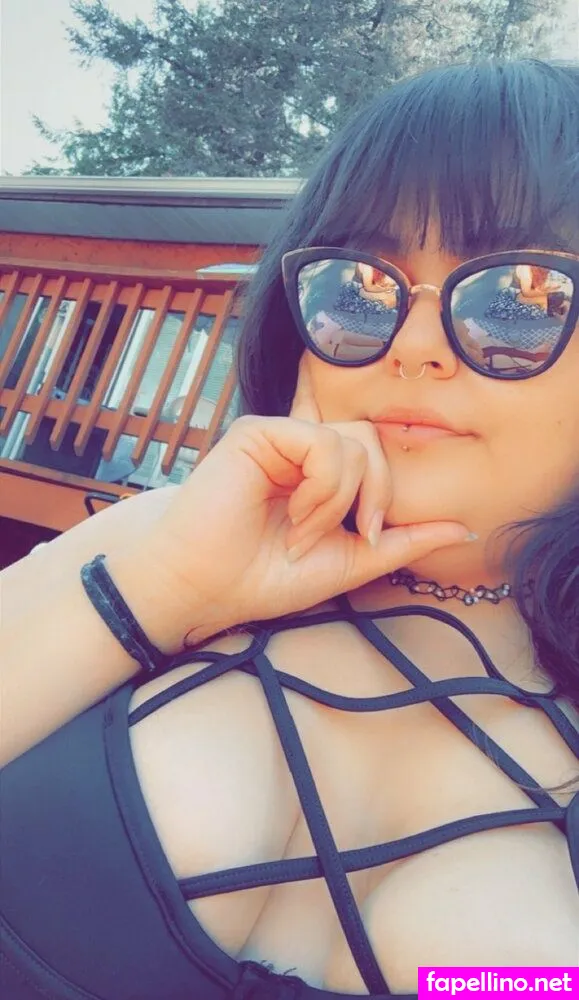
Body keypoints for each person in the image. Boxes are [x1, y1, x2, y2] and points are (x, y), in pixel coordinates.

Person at [1, 58, 579, 1000]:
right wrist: (160, 595)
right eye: (359, 288)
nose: (413, 347)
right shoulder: (167, 537)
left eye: (516, 299)